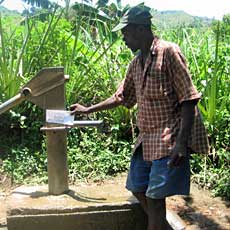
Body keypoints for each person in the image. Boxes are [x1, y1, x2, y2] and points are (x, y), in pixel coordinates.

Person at [70, 4, 209, 230]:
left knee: (155, 199)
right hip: (147, 139)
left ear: (141, 29)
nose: (123, 38)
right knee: (137, 187)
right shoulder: (136, 63)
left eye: (126, 32)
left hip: (169, 137)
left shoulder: (169, 52)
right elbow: (121, 97)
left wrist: (182, 144)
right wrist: (87, 109)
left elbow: (189, 98)